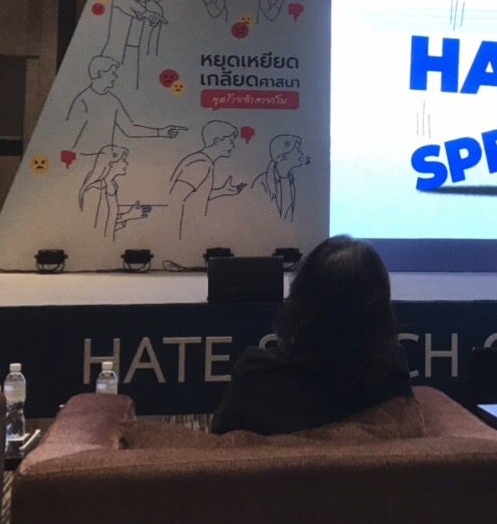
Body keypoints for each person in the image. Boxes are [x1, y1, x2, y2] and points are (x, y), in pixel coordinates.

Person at [211, 236, 412, 434]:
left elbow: (220, 444)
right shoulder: (391, 371)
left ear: (300, 299)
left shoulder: (254, 373)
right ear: (380, 312)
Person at [66, 56, 185, 155]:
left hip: (104, 160)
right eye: (112, 73)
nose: (115, 76)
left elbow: (129, 129)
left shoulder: (112, 100)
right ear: (101, 73)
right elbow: (68, 134)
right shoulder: (82, 100)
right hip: (83, 158)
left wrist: (161, 132)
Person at [168, 120, 245, 239]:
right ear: (217, 141)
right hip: (184, 234)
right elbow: (176, 197)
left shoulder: (204, 162)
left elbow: (193, 195)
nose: (233, 146)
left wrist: (222, 191)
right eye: (230, 141)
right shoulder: (201, 163)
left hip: (189, 232)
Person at [78, 144, 151, 240]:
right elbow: (92, 230)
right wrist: (128, 215)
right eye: (123, 160)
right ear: (111, 164)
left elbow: (109, 227)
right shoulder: (94, 190)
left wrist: (129, 216)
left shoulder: (112, 187)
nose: (126, 164)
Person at [252, 134, 309, 220]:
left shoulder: (292, 181)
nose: (301, 154)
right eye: (298, 150)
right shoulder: (262, 183)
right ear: (284, 156)